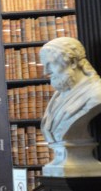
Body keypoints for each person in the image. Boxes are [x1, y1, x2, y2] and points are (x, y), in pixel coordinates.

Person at [39, 37, 101, 176]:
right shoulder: (58, 96)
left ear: (72, 62)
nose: (45, 72)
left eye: (50, 64)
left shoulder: (96, 94)